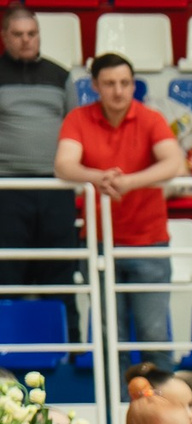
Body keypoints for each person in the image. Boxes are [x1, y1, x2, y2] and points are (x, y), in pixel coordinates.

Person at [54, 55, 180, 368]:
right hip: (99, 241)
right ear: (95, 86)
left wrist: (129, 183)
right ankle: (116, 412)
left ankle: (162, 414)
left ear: (134, 85)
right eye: (109, 83)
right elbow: (64, 165)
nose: (119, 91)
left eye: (125, 83)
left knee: (154, 335)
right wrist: (99, 177)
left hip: (149, 241)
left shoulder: (151, 118)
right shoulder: (78, 119)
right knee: (112, 336)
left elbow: (173, 162)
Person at [0, 7, 75, 350]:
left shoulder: (61, 76)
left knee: (60, 272)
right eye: (18, 34)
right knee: (7, 275)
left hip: (56, 187)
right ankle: (6, 351)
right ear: (4, 37)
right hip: (7, 189)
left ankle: (68, 349)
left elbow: (75, 128)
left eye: (32, 33)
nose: (26, 40)